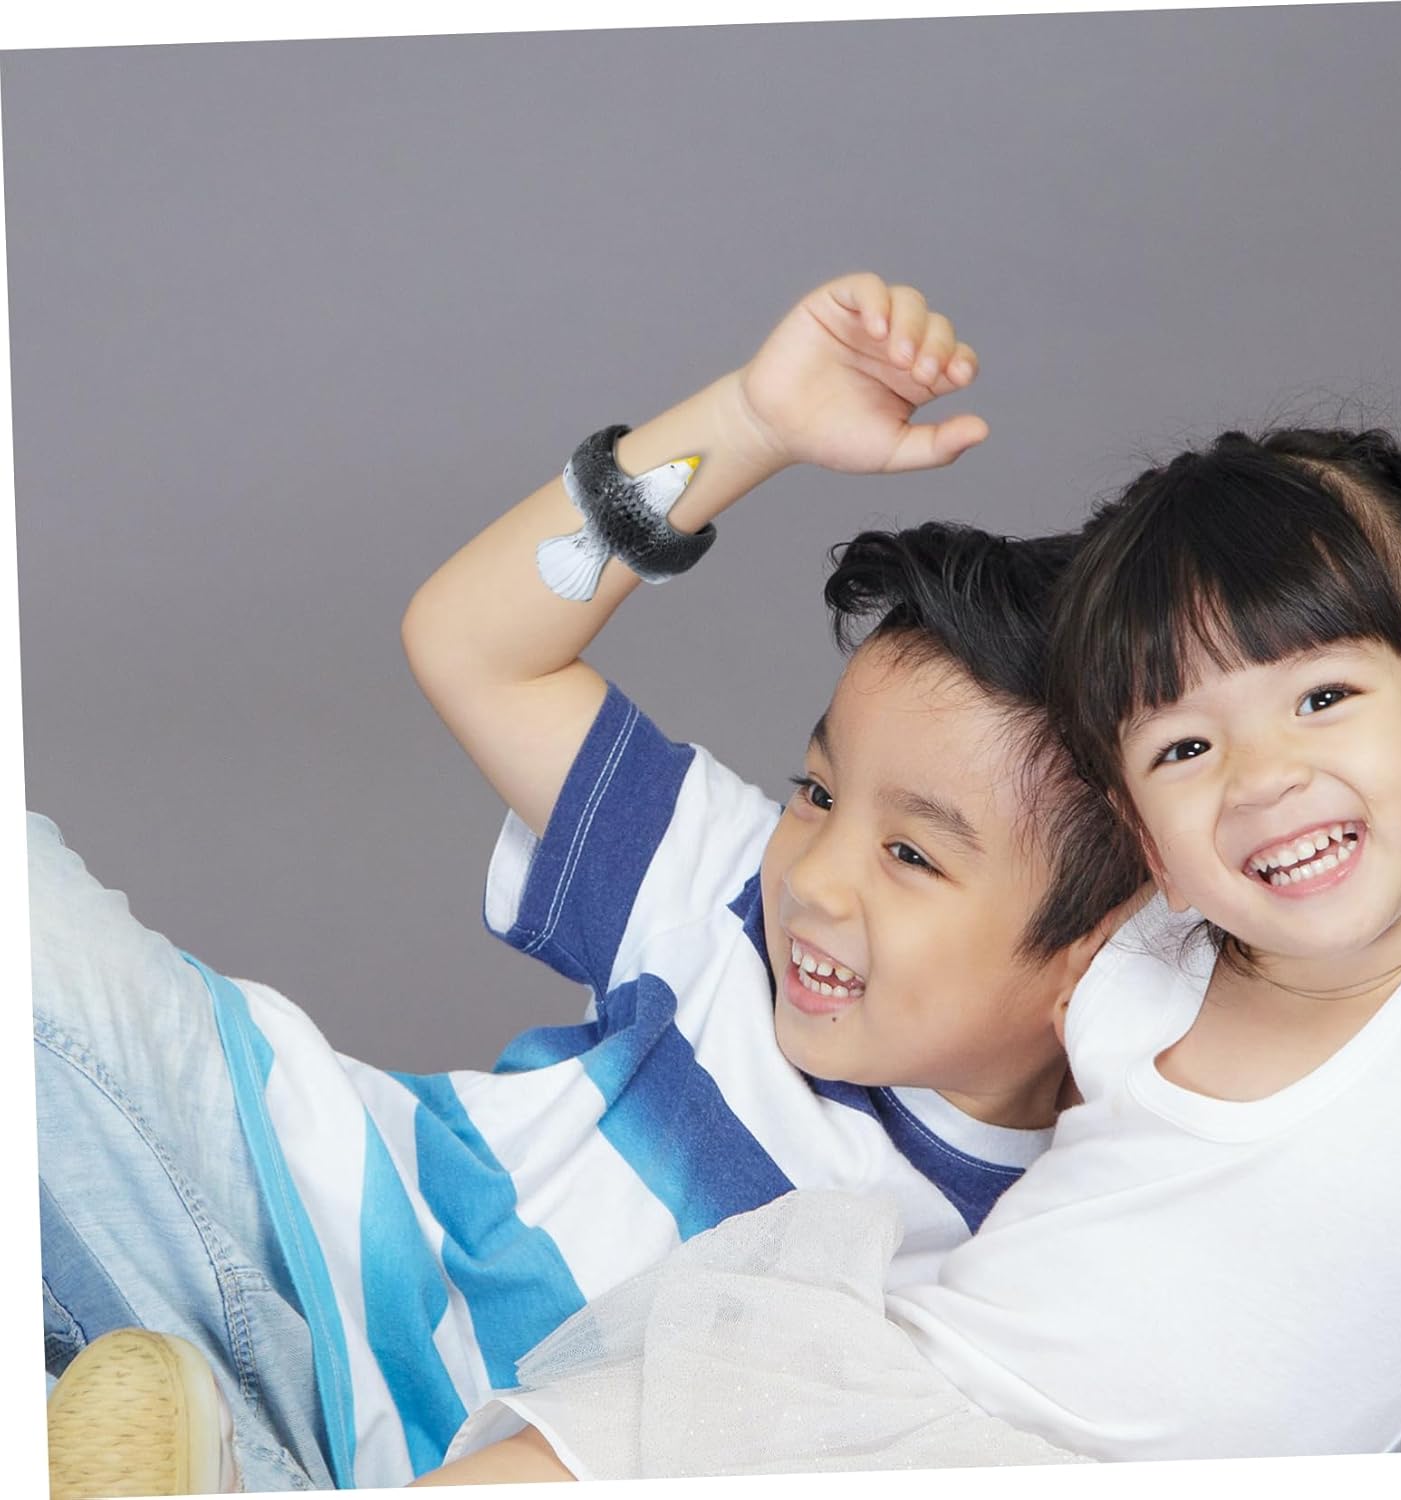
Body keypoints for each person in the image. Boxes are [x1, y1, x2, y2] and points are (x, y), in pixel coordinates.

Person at [37, 274, 1141, 1495]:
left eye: (914, 856)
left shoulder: (1033, 1254)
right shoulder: (726, 894)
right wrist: (749, 423)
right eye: (819, 793)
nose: (819, 879)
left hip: (351, 1463)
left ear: (1098, 944)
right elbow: (477, 647)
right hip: (255, 1186)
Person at [424, 425, 1401, 1482]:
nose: (1261, 777)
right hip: (873, 1409)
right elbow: (484, 652)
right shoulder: (1148, 956)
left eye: (1323, 698)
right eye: (1186, 747)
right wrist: (756, 421)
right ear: (1150, 845)